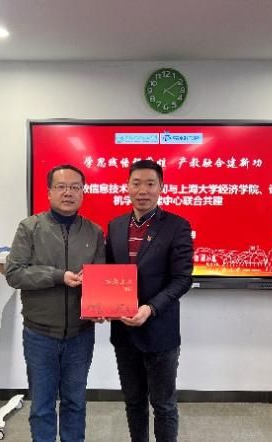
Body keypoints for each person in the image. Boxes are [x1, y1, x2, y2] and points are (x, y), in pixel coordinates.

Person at [5, 164, 105, 442]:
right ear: (49, 192)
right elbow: (14, 274)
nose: (68, 193)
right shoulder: (30, 228)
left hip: (81, 334)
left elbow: (100, 278)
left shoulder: (94, 232)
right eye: (61, 187)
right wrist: (57, 276)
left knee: (75, 402)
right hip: (40, 334)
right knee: (42, 405)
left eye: (75, 187)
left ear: (83, 193)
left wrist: (101, 306)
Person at [106, 160, 194, 442]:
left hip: (160, 331)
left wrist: (151, 308)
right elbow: (109, 274)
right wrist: (101, 301)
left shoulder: (177, 226)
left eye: (150, 183)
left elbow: (182, 279)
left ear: (161, 187)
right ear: (127, 187)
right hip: (123, 331)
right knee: (133, 402)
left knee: (164, 405)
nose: (142, 190)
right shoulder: (116, 226)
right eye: (136, 183)